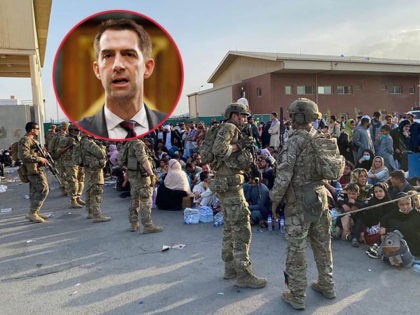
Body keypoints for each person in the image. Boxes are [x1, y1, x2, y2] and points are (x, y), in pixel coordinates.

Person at [269, 98, 336, 310]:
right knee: (322, 245)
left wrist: (274, 199)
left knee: (296, 249)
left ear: (296, 117)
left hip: (298, 200)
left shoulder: (294, 140)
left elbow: (284, 173)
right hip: (319, 195)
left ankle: (297, 296)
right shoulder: (319, 137)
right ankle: (327, 285)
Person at [77, 19, 167, 139]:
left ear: (147, 67)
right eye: (108, 56)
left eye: (129, 54)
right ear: (97, 70)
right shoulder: (83, 129)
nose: (117, 65)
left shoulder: (163, 123)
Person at [210, 102, 267, 289]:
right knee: (242, 229)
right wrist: (238, 146)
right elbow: (219, 150)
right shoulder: (229, 128)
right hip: (231, 187)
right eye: (243, 116)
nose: (245, 119)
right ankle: (244, 273)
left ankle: (229, 268)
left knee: (229, 227)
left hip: (226, 184)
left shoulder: (225, 129)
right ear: (234, 116)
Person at [120, 139, 162, 233]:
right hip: (142, 178)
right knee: (145, 201)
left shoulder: (127, 144)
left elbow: (122, 162)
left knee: (134, 200)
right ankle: (148, 226)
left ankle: (134, 224)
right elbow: (143, 160)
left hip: (133, 177)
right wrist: (151, 174)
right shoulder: (138, 144)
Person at [18, 122, 50, 223]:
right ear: (32, 130)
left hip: (36, 168)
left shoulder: (32, 140)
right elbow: (24, 156)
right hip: (33, 169)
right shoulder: (25, 140)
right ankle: (32, 213)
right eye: (37, 128)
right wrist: (39, 158)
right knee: (43, 189)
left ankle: (35, 212)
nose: (38, 130)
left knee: (35, 191)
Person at [80, 134, 111, 222]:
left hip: (89, 169)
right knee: (96, 190)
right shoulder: (89, 143)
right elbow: (100, 153)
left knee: (89, 190)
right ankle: (96, 215)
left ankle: (90, 212)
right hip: (95, 170)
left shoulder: (82, 142)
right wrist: (101, 146)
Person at [58, 124, 85, 208]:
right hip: (70, 163)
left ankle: (78, 197)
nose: (78, 132)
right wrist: (69, 146)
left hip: (79, 162)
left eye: (79, 131)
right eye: (77, 131)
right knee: (73, 182)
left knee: (81, 180)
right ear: (71, 131)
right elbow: (59, 151)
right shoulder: (65, 140)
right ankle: (73, 200)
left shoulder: (80, 138)